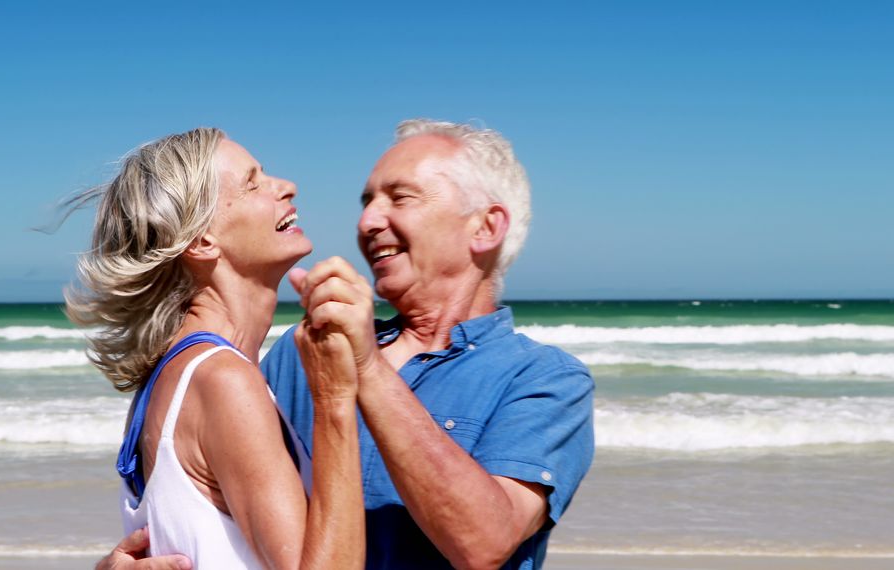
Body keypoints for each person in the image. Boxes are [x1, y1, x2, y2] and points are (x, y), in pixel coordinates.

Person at [100, 120, 594, 569]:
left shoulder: (545, 379)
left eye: (401, 198)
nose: (367, 223)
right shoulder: (300, 354)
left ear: (485, 227)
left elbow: (483, 542)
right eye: (366, 202)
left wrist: (366, 373)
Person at [69, 128, 364, 569]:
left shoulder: (172, 374)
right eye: (253, 182)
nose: (286, 187)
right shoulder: (222, 380)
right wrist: (336, 400)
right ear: (202, 241)